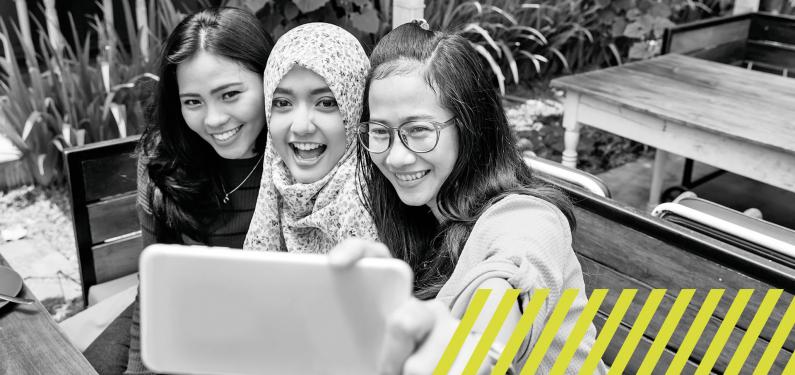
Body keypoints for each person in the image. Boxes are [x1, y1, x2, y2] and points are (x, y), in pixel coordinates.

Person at [332, 20, 605, 374]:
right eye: (381, 131)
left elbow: (510, 280)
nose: (396, 156)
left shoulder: (527, 216)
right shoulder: (419, 218)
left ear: (470, 126)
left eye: (418, 130)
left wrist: (477, 350)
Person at [82, 7, 273, 374]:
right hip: (179, 311)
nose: (214, 119)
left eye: (230, 94)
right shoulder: (164, 158)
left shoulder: (296, 155)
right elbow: (155, 283)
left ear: (269, 80)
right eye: (193, 102)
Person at [243, 22, 377, 253]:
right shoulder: (278, 184)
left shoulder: (378, 207)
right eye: (283, 103)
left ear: (356, 108)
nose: (302, 126)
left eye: (326, 103)